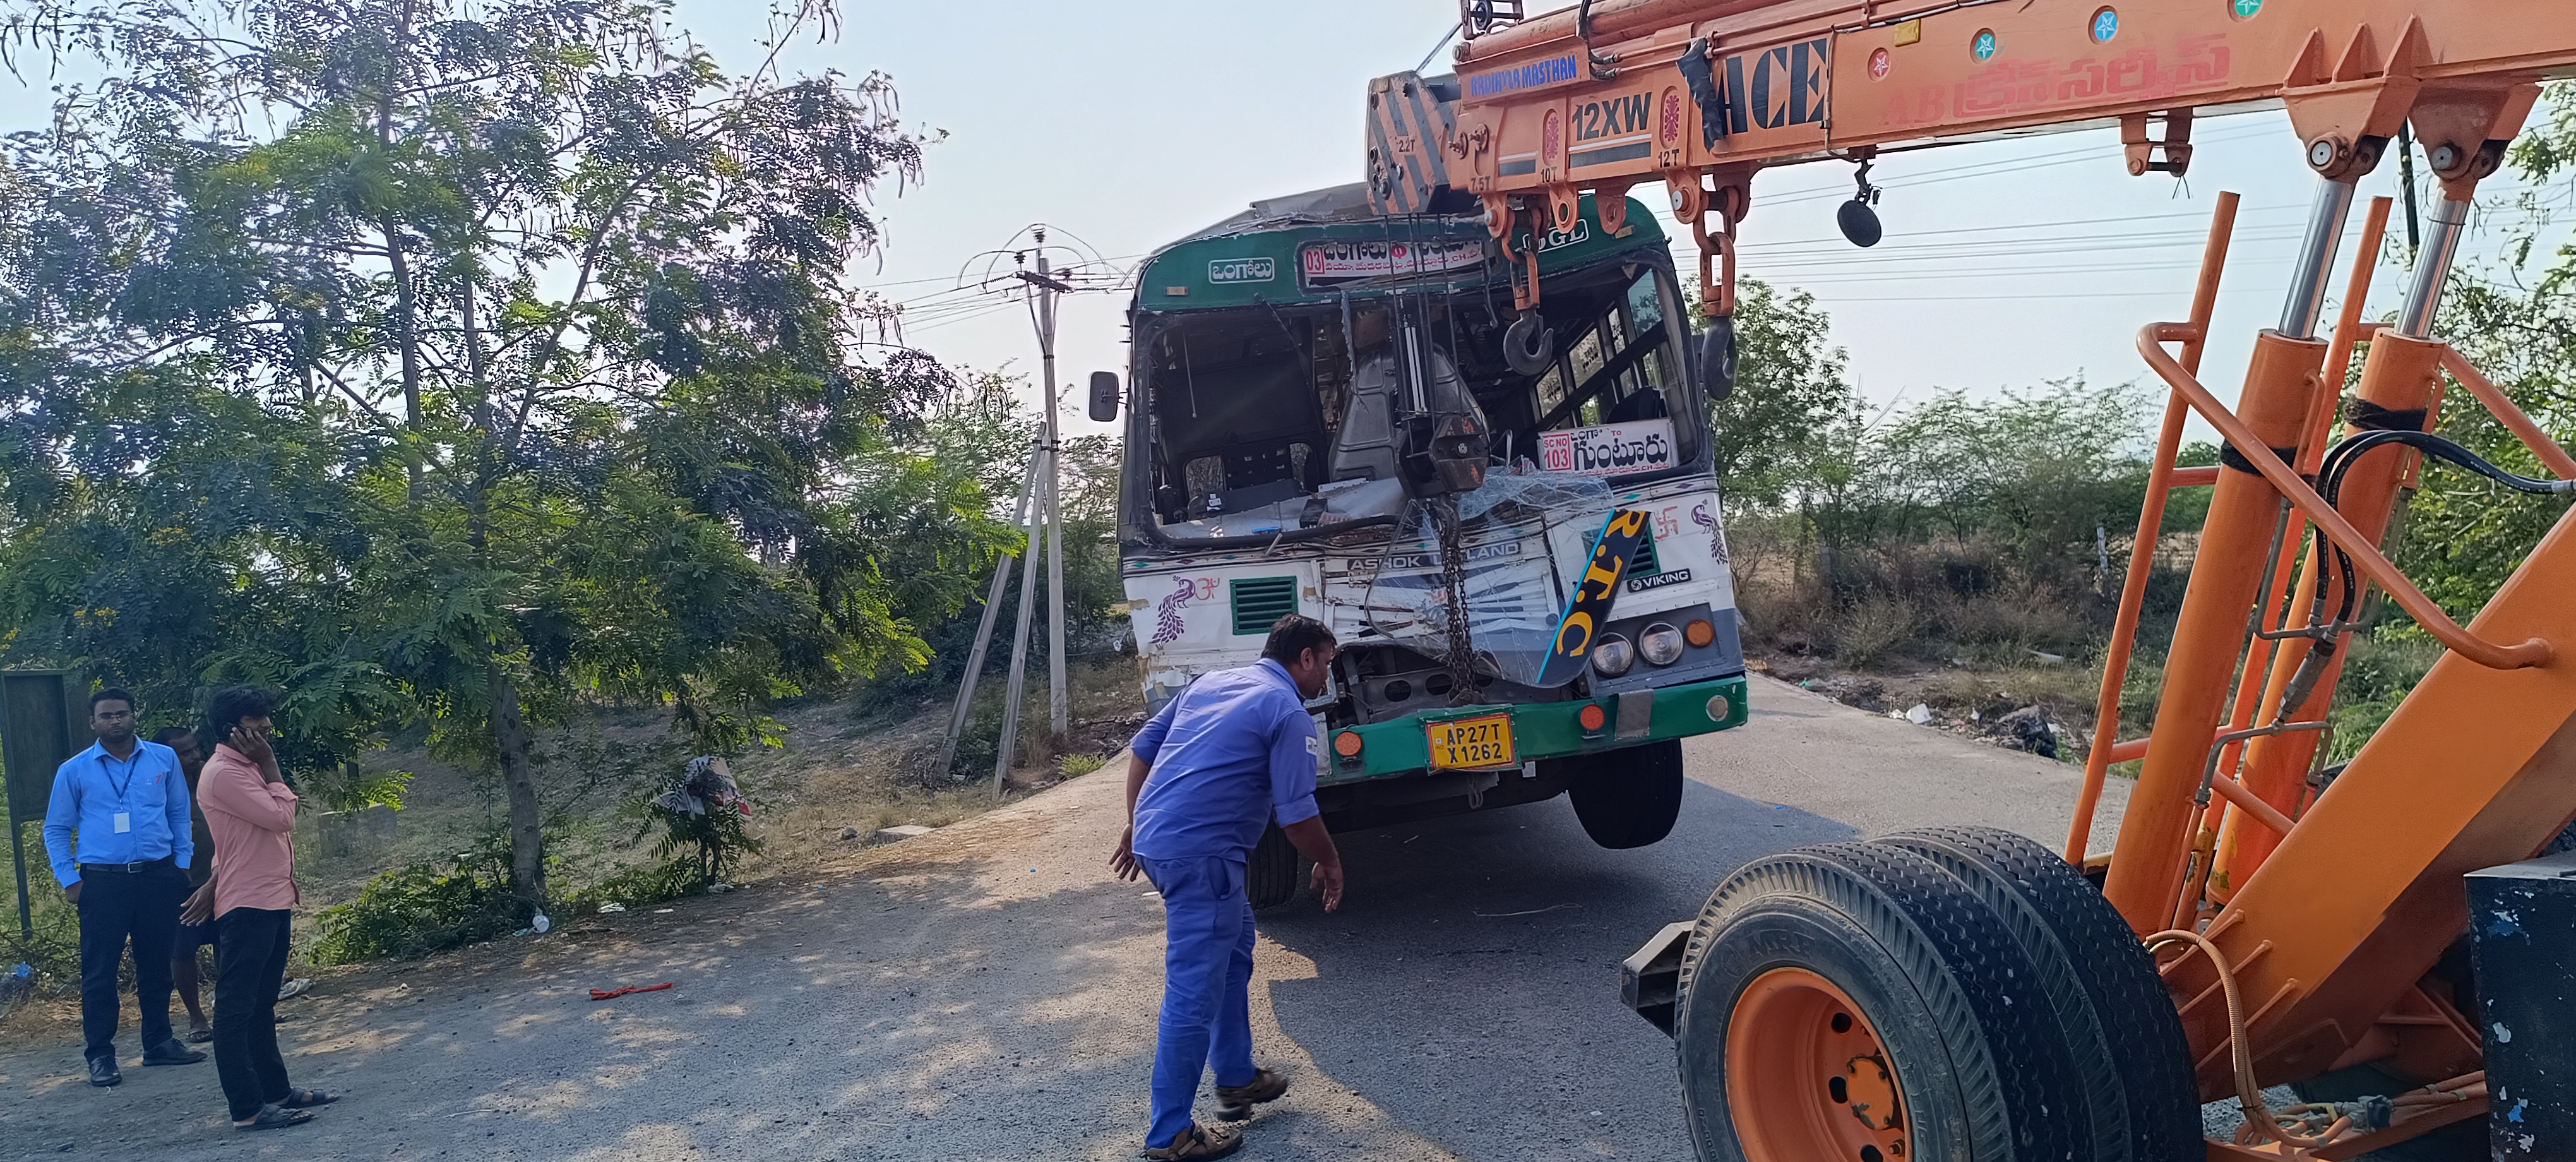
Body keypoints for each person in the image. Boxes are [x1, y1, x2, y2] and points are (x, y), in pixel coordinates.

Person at [1109, 614, 1347, 1161]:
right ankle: (1169, 1135)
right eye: (1328, 663)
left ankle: (1238, 1077)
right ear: (1304, 658)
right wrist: (1331, 862)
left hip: (1168, 845)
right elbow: (1297, 815)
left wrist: (1138, 820)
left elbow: (1145, 749)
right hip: (1203, 859)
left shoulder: (1212, 683)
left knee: (1236, 949)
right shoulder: (1287, 710)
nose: (1328, 677)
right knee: (1192, 993)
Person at [182, 685, 335, 1131]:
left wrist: (214, 879)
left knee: (262, 1002)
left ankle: (276, 1091)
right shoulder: (227, 773)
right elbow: (281, 819)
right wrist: (271, 766)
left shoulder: (243, 768)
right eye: (257, 725)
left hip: (269, 895)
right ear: (232, 730)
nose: (267, 732)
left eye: (267, 723)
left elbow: (232, 842)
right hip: (248, 903)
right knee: (236, 1009)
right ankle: (247, 1108)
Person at [40, 687, 208, 1087]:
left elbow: (178, 814)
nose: (116, 721)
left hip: (158, 877)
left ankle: (159, 1043)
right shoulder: (75, 770)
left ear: (134, 716)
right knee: (100, 972)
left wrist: (181, 867)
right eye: (107, 715)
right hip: (103, 882)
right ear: (93, 723)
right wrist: (70, 880)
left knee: (156, 964)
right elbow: (57, 828)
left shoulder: (162, 758)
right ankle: (100, 1055)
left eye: (122, 713)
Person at [155, 726, 217, 1043]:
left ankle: (236, 1007)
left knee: (230, 944)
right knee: (182, 950)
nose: (195, 757)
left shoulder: (214, 781)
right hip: (183, 884)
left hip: (224, 878)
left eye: (195, 749)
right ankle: (196, 1018)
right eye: (185, 753)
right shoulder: (160, 792)